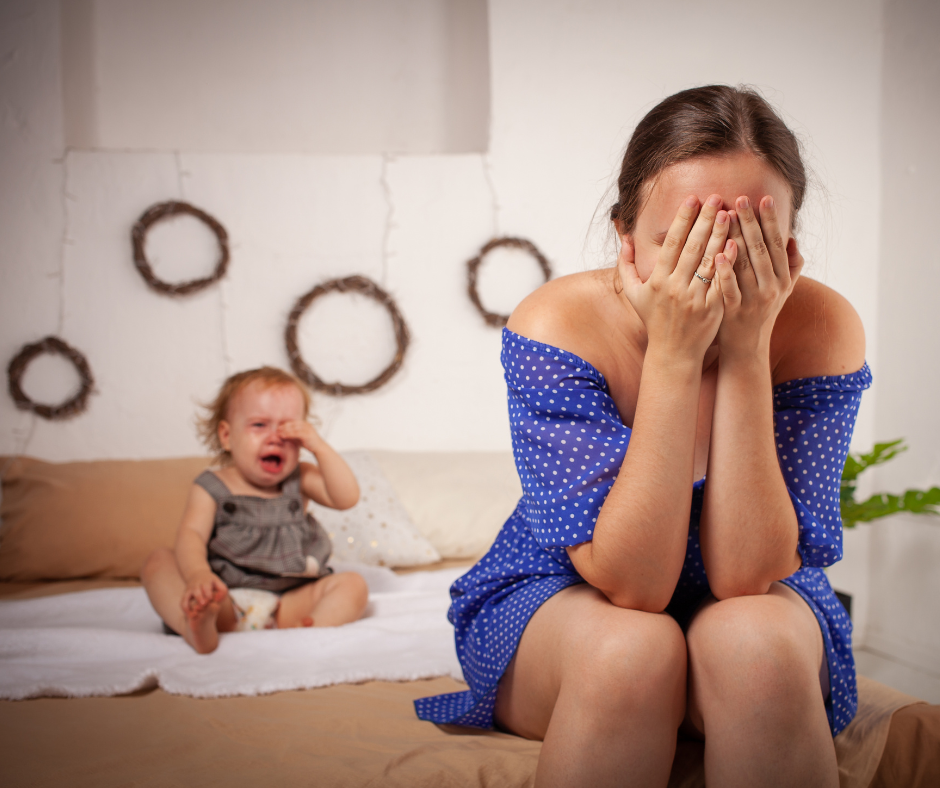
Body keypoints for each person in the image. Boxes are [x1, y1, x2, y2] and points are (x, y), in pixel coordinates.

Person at [415, 85, 869, 788]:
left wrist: (748, 350)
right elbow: (634, 585)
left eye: (747, 239)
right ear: (625, 236)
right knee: (633, 649)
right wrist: (675, 356)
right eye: (681, 239)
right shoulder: (559, 325)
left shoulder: (819, 326)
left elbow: (749, 577)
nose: (716, 268)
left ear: (790, 245)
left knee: (757, 646)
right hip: (568, 596)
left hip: (755, 597)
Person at [142, 366, 368, 654]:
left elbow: (346, 498)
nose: (275, 437)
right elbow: (192, 535)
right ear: (226, 435)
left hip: (288, 603)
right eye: (259, 425)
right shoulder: (212, 485)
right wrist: (199, 575)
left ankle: (310, 632)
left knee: (353, 584)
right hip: (223, 601)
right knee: (158, 562)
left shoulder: (300, 478)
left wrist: (319, 447)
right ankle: (196, 628)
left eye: (288, 428)